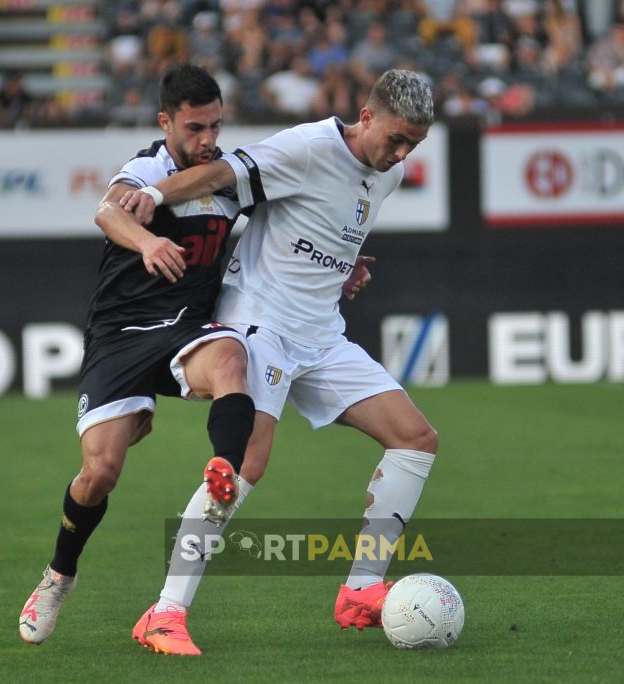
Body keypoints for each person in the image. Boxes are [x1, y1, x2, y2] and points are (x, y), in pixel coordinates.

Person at [120, 68, 438, 655]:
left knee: (416, 438)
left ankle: (361, 591)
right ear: (366, 117)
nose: (400, 153)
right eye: (395, 139)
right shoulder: (308, 147)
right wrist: (157, 195)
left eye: (413, 145)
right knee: (245, 464)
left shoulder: (385, 175)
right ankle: (164, 612)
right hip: (260, 325)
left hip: (321, 334)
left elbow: (320, 228)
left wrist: (345, 267)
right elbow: (222, 175)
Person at [16, 65, 257, 646]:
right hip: (121, 334)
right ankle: (58, 576)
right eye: (195, 127)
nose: (207, 140)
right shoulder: (149, 168)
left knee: (231, 358)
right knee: (100, 472)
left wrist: (342, 268)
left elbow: (274, 232)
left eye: (215, 126)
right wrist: (148, 240)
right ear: (165, 122)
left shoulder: (228, 177)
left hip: (187, 326)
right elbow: (107, 211)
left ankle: (224, 468)